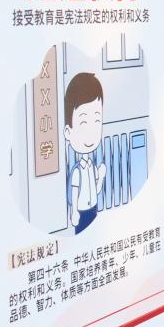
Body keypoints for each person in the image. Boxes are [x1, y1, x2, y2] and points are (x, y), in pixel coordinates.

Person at [64, 72, 106, 234]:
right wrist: (74, 211)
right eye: (83, 122)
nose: (91, 131)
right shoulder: (76, 171)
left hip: (93, 209)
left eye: (97, 121)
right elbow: (74, 194)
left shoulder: (92, 167)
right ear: (68, 132)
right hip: (81, 212)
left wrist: (101, 177)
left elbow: (96, 190)